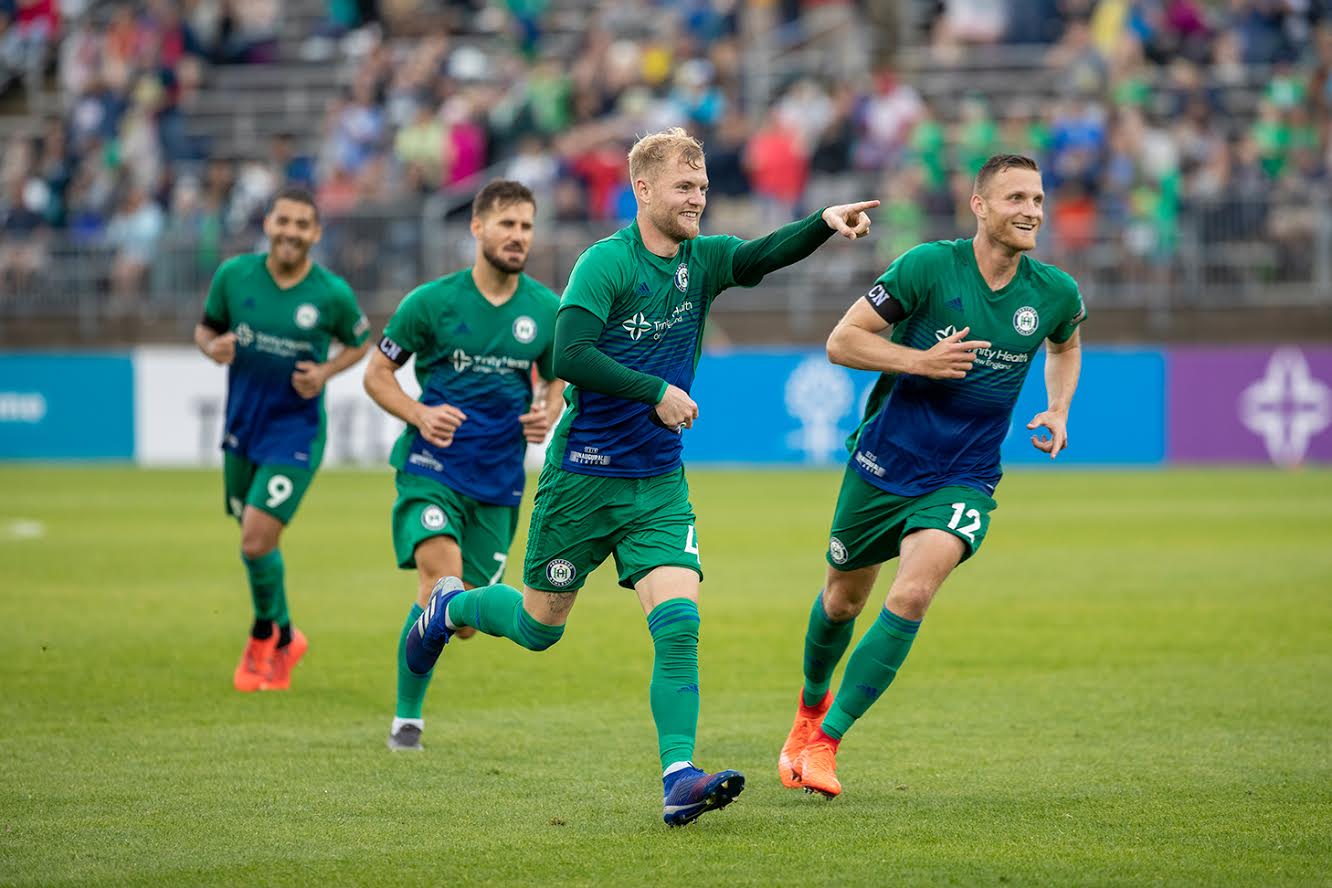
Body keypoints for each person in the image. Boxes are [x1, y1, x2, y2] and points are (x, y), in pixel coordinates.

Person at [402, 126, 878, 826]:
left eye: (704, 188)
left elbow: (758, 256)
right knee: (539, 628)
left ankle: (678, 776)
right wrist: (655, 390)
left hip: (656, 483)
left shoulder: (702, 261)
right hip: (583, 479)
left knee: (679, 624)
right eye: (685, 188)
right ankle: (450, 606)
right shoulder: (606, 264)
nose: (698, 200)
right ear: (643, 189)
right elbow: (569, 354)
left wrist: (822, 226)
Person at [777, 153, 1086, 798]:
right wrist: (920, 361)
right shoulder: (926, 267)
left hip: (965, 475)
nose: (1031, 210)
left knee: (913, 594)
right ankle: (807, 712)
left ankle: (827, 745)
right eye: (1015, 199)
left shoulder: (1054, 292)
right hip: (885, 462)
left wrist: (1057, 409)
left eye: (1037, 199)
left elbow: (1065, 343)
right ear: (979, 205)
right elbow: (842, 341)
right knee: (842, 600)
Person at [363, 180, 564, 752]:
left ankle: (416, 678)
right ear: (477, 229)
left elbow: (557, 376)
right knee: (441, 579)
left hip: (499, 484)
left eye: (526, 226)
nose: (518, 236)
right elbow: (377, 375)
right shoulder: (430, 303)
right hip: (431, 469)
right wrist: (420, 414)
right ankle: (408, 719)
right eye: (507, 224)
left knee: (464, 619)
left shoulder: (546, 310)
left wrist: (545, 411)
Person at [194, 187, 371, 693]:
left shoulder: (331, 293)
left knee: (254, 537)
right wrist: (214, 348)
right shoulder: (233, 277)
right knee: (254, 543)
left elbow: (360, 341)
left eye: (302, 225)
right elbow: (204, 331)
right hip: (242, 427)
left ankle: (261, 636)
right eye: (284, 221)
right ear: (268, 224)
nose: (292, 232)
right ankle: (289, 636)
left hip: (296, 431)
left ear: (316, 233)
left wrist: (326, 372)